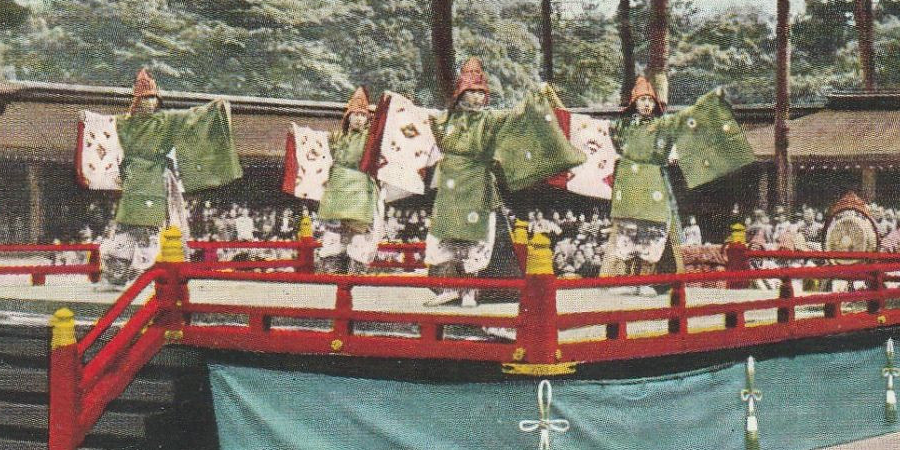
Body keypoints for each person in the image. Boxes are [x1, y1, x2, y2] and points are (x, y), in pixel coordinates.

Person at [421, 58, 581, 307]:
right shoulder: (445, 120)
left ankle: (471, 291)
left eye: (480, 93)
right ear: (460, 94)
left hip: (477, 182)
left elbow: (517, 115)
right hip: (450, 185)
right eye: (471, 92)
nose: (476, 97)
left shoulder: (490, 119)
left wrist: (534, 99)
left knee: (475, 240)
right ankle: (449, 288)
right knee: (445, 238)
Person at [594, 73, 755, 294]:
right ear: (634, 103)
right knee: (627, 235)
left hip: (652, 187)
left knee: (650, 234)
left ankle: (647, 281)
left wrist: (709, 101)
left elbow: (686, 117)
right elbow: (597, 131)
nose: (647, 104)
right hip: (628, 188)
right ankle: (627, 281)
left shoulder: (663, 126)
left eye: (650, 100)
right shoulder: (622, 127)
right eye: (642, 100)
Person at [100, 67, 242, 286]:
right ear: (136, 100)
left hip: (156, 180)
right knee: (125, 227)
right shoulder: (123, 123)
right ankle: (116, 274)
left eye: (153, 98)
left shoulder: (164, 120)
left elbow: (190, 117)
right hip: (132, 182)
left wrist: (214, 108)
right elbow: (102, 126)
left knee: (151, 230)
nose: (150, 102)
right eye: (145, 98)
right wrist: (86, 119)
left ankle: (144, 275)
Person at [314, 87, 384, 275]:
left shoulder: (370, 138)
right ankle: (333, 269)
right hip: (337, 187)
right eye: (356, 115)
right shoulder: (338, 137)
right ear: (348, 117)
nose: (360, 118)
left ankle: (356, 270)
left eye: (363, 115)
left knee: (359, 232)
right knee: (335, 232)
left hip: (360, 186)